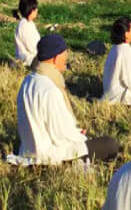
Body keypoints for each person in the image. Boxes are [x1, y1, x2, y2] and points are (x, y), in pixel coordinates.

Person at [17, 33, 121, 165]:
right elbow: (61, 135)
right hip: (49, 156)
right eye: (64, 55)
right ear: (56, 57)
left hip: (28, 150)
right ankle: (73, 164)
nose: (66, 60)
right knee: (110, 144)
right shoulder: (50, 89)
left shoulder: (27, 81)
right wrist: (79, 136)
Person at [14, 0, 41, 66]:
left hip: (35, 56)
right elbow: (33, 48)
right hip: (28, 61)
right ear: (30, 10)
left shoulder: (30, 23)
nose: (37, 10)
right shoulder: (24, 27)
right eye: (35, 8)